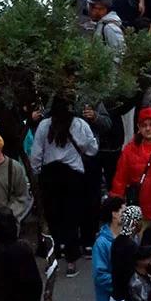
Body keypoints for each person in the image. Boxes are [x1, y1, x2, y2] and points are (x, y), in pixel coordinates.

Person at [28, 98, 99, 276]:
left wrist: (36, 173)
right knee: (72, 217)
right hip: (73, 175)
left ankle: (54, 254)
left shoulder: (44, 126)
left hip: (49, 175)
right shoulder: (79, 124)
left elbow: (36, 153)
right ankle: (71, 259)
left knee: (52, 217)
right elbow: (92, 149)